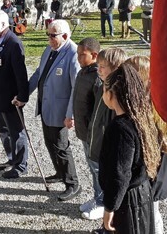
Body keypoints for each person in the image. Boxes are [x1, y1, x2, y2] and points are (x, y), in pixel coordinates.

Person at [100, 62, 161, 234]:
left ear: (112, 94)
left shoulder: (120, 128)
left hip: (128, 201)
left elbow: (119, 174)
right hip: (142, 192)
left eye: (104, 90)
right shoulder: (142, 119)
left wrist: (110, 208)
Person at [28, 19, 81, 201]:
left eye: (52, 35)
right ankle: (59, 172)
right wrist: (24, 93)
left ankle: (72, 183)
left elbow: (76, 87)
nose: (48, 38)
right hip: (46, 107)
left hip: (60, 111)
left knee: (61, 147)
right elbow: (38, 74)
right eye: (48, 35)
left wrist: (70, 114)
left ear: (65, 36)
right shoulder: (49, 50)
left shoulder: (73, 53)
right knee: (49, 142)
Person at [127, 55, 167, 234]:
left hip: (152, 176)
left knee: (152, 215)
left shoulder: (153, 107)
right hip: (146, 176)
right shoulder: (141, 103)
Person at [84, 48, 128, 221]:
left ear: (116, 67)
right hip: (96, 138)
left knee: (107, 177)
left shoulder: (118, 91)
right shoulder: (103, 85)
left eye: (103, 66)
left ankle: (105, 206)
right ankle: (99, 198)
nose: (98, 69)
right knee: (97, 173)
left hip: (106, 145)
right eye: (98, 65)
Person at [0, 11, 30, 179]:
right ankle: (11, 158)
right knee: (4, 131)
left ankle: (20, 165)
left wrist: (22, 97)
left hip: (11, 98)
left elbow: (21, 74)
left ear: (4, 24)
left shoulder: (13, 43)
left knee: (16, 132)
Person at [71, 37, 102, 219]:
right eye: (77, 54)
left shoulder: (97, 77)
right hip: (84, 131)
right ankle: (97, 197)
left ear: (94, 55)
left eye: (82, 55)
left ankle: (102, 202)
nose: (78, 59)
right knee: (92, 168)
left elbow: (99, 110)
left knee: (98, 168)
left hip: (94, 134)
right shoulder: (84, 72)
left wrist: (93, 132)